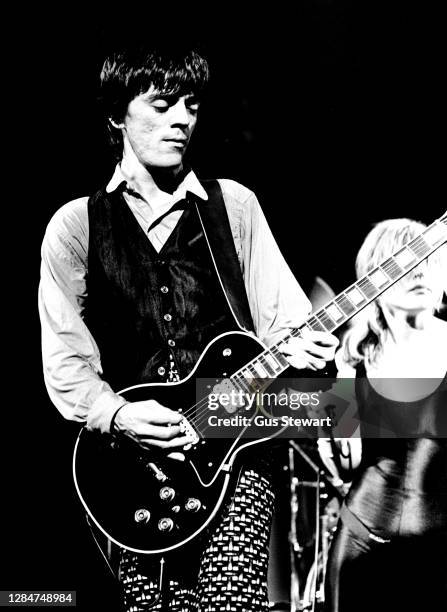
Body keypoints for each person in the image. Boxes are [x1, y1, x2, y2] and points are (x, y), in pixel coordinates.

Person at [39, 44, 338, 611]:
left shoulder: (235, 207)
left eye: (192, 105)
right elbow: (66, 360)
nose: (181, 119)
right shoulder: (77, 225)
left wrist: (311, 352)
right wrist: (120, 414)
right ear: (116, 114)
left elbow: (289, 325)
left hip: (239, 447)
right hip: (129, 469)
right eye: (162, 104)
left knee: (230, 603)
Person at [320, 218, 447, 612]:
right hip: (360, 546)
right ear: (374, 280)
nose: (419, 274)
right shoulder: (349, 362)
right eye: (405, 264)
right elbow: (339, 465)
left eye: (429, 262)